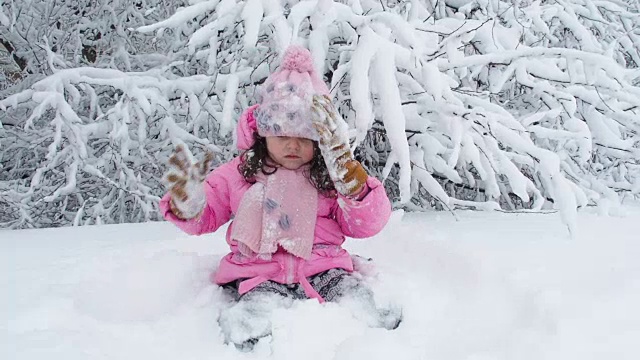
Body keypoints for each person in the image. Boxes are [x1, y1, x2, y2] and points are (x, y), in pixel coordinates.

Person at [160, 46, 401, 351]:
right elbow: (209, 212)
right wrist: (189, 205)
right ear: (262, 134)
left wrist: (356, 189)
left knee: (363, 302)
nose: (292, 145)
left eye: (304, 138)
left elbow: (365, 225)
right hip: (257, 273)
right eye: (282, 134)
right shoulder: (239, 173)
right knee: (250, 321)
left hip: (324, 268)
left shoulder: (331, 177)